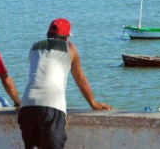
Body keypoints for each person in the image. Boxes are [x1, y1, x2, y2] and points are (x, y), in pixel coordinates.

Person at [18, 18, 112, 149]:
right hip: (52, 106)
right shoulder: (70, 48)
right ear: (66, 37)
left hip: (27, 106)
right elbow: (80, 78)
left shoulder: (34, 47)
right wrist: (93, 104)